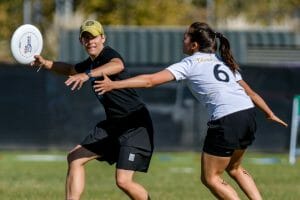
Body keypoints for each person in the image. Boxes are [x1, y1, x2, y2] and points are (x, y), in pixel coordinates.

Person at [94, 22, 288, 200]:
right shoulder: (221, 62)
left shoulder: (190, 64)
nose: (183, 39)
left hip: (227, 119)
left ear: (194, 45)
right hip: (248, 114)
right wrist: (269, 113)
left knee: (210, 178)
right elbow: (251, 93)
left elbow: (150, 81)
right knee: (234, 168)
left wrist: (114, 85)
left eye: (186, 37)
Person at [31, 19, 154, 200]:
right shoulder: (91, 63)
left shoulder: (107, 55)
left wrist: (86, 75)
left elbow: (117, 65)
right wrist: (46, 63)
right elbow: (70, 68)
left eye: (94, 37)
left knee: (123, 181)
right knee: (74, 158)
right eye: (86, 38)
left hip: (135, 125)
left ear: (103, 37)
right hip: (113, 125)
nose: (90, 41)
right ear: (81, 41)